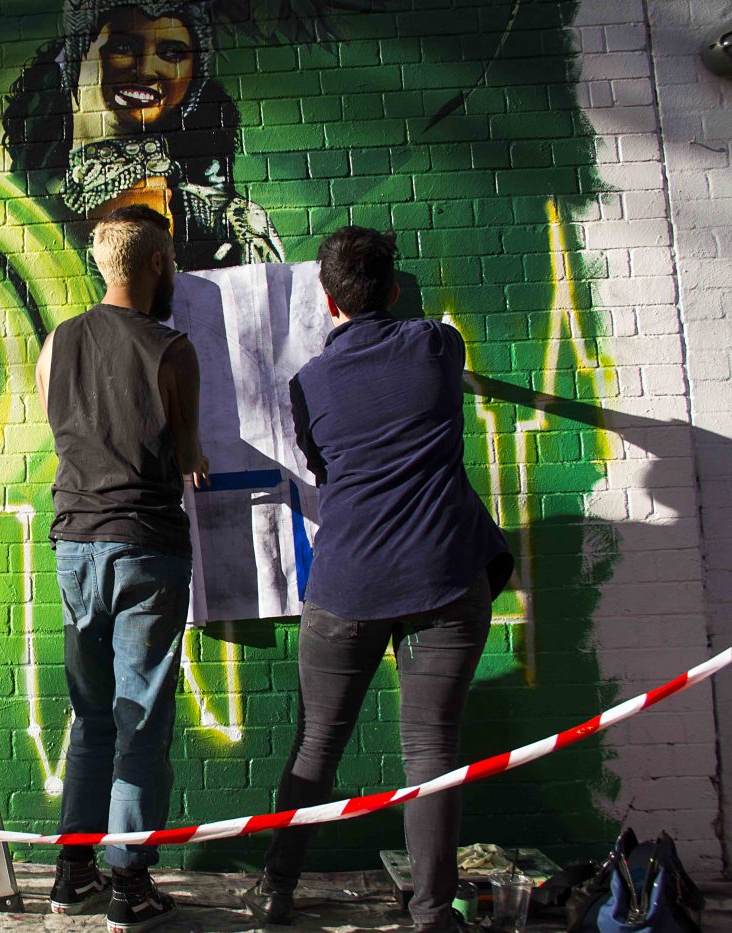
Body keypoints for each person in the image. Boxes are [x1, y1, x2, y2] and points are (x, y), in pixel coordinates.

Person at [243, 227, 514, 932]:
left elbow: (322, 465)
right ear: (394, 289)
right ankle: (432, 914)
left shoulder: (308, 385)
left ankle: (276, 888)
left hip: (348, 586)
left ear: (327, 300)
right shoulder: (437, 345)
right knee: (432, 752)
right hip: (444, 577)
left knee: (317, 744)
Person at [35, 204, 210, 932]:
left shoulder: (56, 343)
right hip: (146, 545)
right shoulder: (173, 350)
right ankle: (129, 883)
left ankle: (72, 873)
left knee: (92, 717)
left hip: (75, 542)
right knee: (142, 716)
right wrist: (194, 456)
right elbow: (189, 456)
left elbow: (65, 430)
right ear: (157, 264)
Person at [4, 0, 285, 269]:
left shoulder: (227, 223)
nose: (147, 70)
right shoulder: (19, 195)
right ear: (78, 52)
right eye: (124, 46)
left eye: (173, 54)